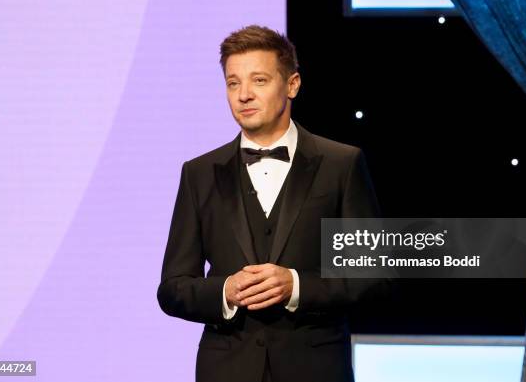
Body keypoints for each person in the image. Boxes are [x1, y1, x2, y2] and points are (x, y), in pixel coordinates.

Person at [157, 24, 389, 382]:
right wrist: (225, 291)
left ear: (292, 84)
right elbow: (172, 288)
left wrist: (295, 286)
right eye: (233, 83)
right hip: (226, 371)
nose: (244, 95)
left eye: (259, 80)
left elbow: (372, 278)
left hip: (316, 370)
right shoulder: (199, 173)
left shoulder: (342, 164)